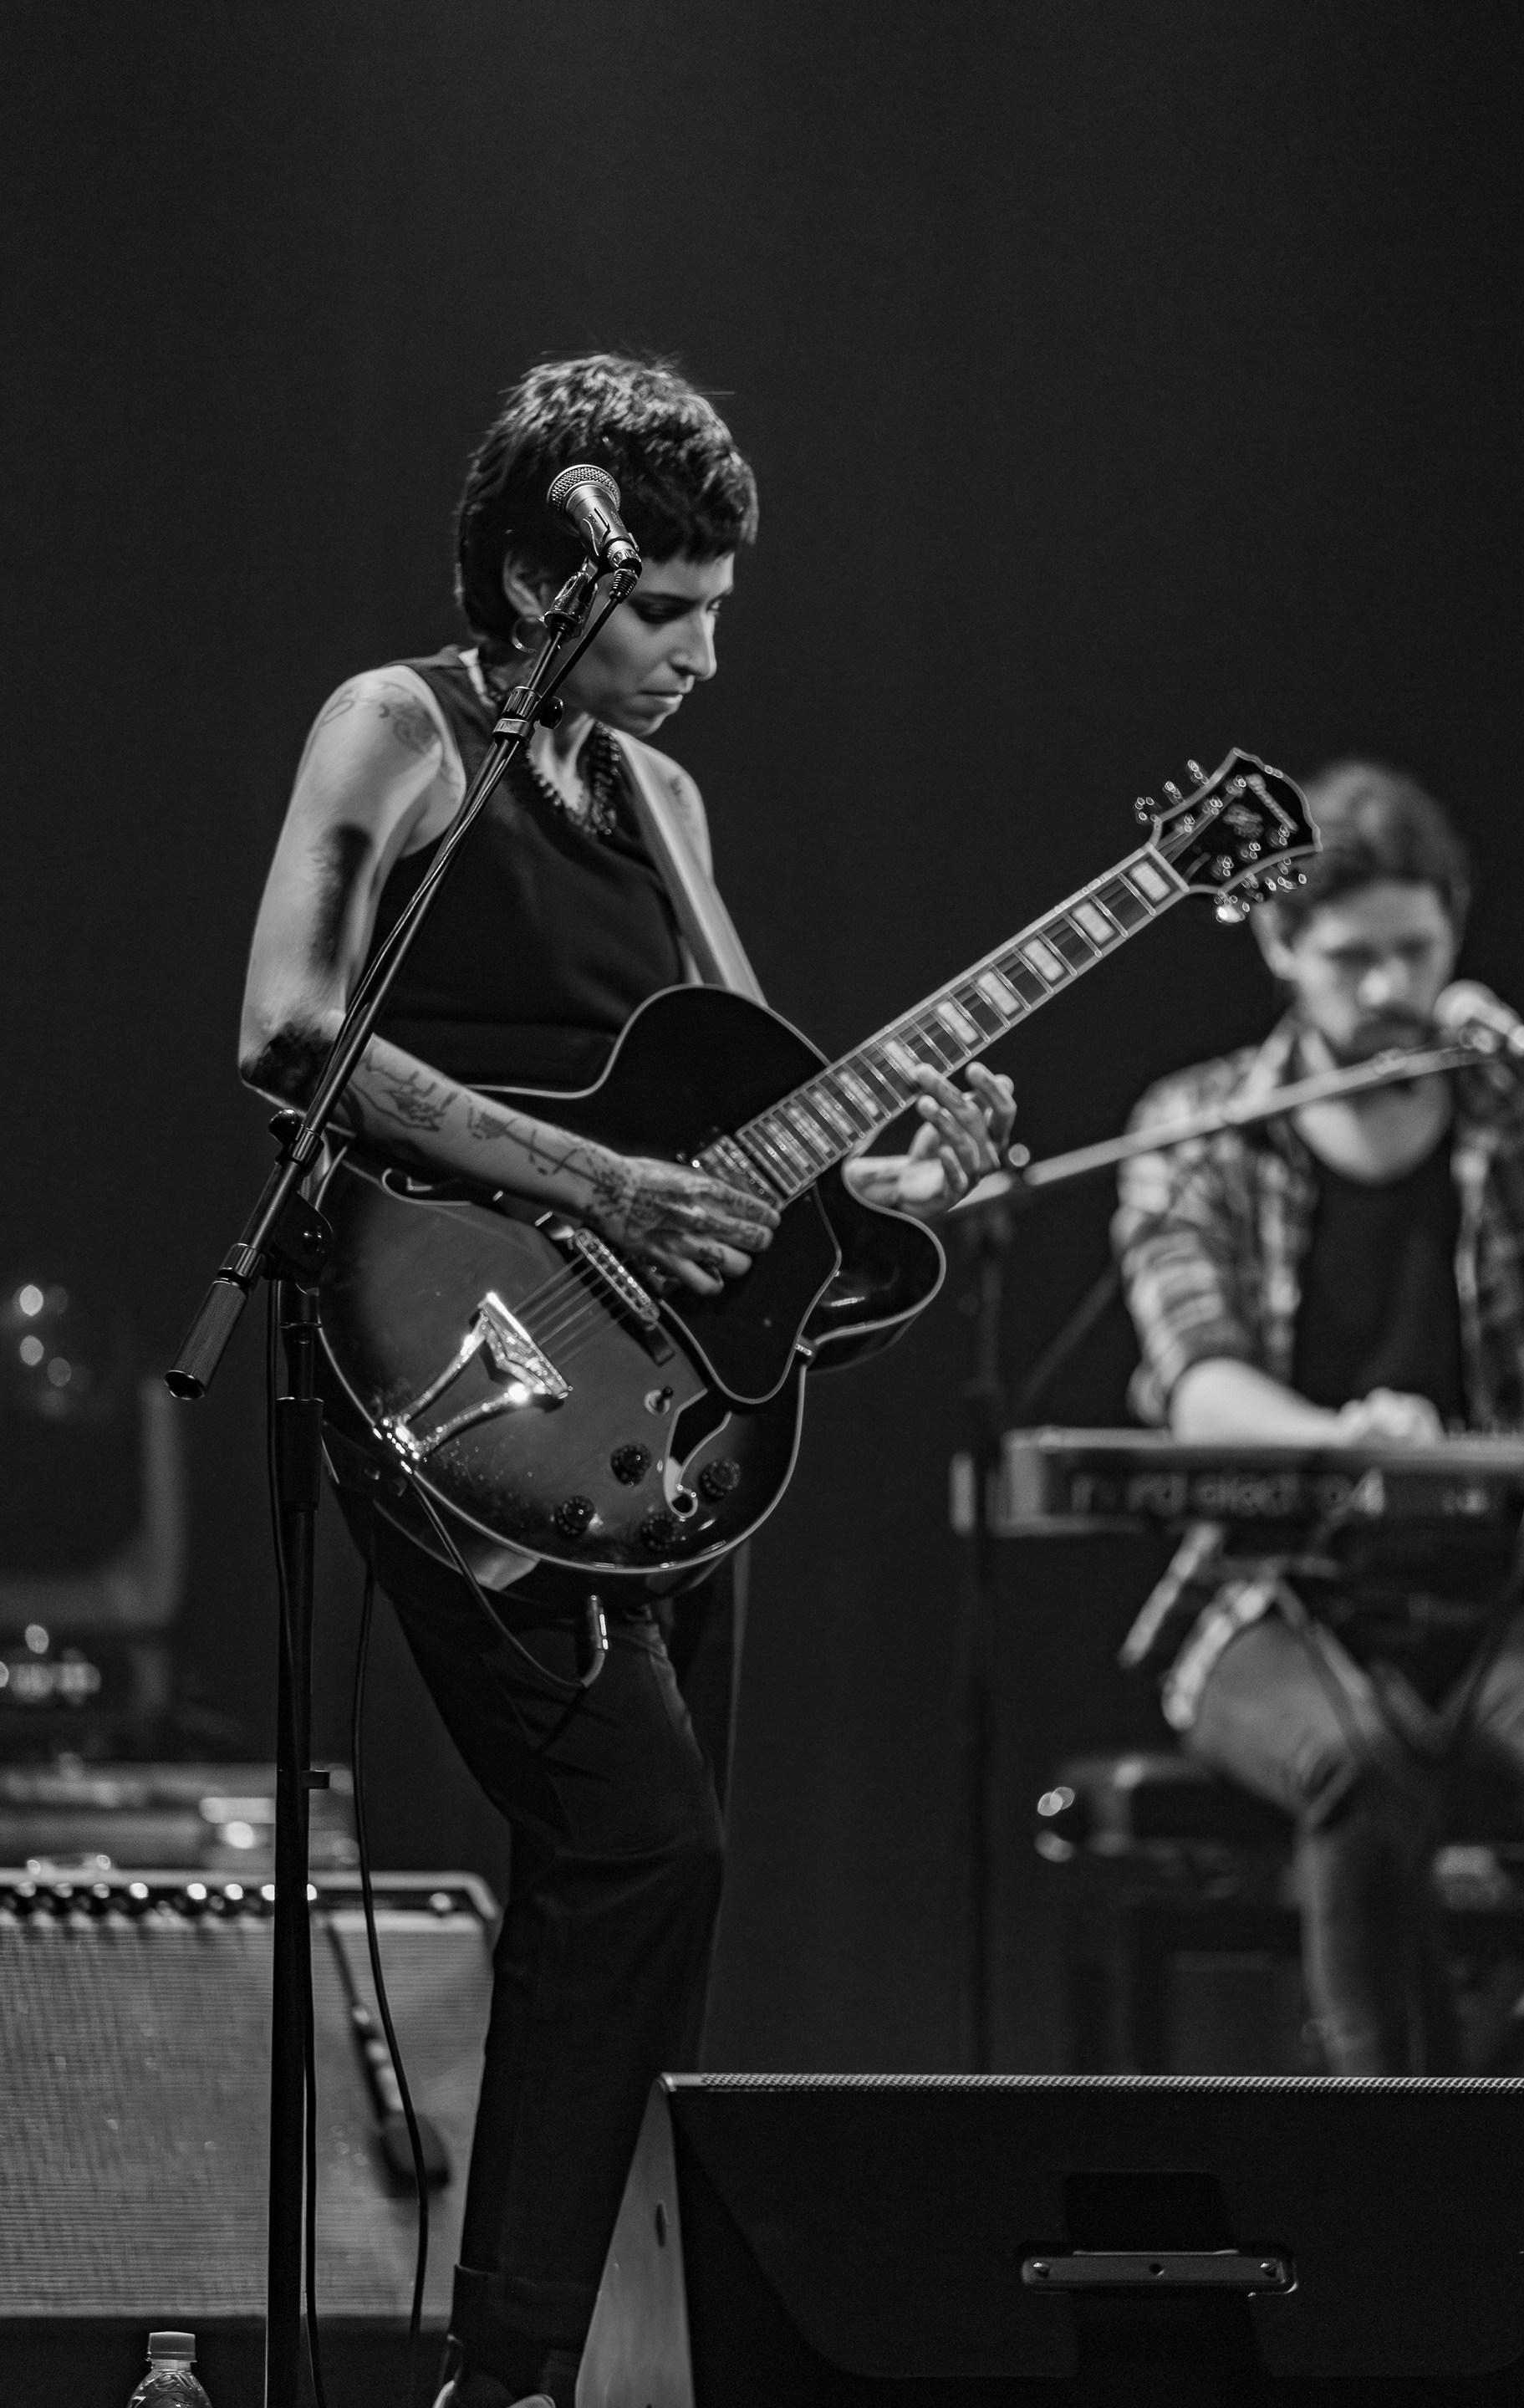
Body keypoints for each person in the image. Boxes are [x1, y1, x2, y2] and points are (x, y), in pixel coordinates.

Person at [239, 354, 1014, 2408]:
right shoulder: (400, 728)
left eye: (715, 610)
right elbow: (288, 1036)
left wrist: (898, 1183)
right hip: (442, 1361)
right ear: (538, 577)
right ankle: (505, 2375)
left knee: (659, 1884)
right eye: (665, 608)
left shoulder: (665, 804)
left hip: (655, 1413)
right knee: (642, 1839)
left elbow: (749, 1145)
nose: (703, 656)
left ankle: (558, 2364)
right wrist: (606, 1186)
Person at [1114, 759, 1524, 2074]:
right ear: (1280, 945)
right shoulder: (1200, 1127)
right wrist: (1347, 1440)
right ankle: (1400, 2152)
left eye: (1418, 951)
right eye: (1352, 958)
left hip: (1515, 1587)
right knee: (1362, 1768)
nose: (1391, 988)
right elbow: (1198, 1384)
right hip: (1273, 1599)